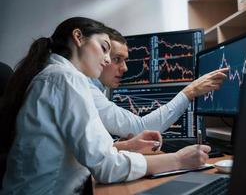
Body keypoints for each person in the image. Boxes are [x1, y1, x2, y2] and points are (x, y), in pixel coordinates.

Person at [0, 17, 213, 195]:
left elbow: (76, 151)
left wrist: (126, 146)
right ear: (78, 38)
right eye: (104, 49)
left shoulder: (54, 76)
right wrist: (179, 160)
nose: (106, 60)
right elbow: (106, 167)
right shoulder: (66, 79)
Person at [90, 28, 229, 149]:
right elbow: (140, 128)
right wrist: (190, 91)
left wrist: (123, 145)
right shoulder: (89, 92)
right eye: (117, 59)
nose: (125, 68)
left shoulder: (94, 89)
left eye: (125, 60)